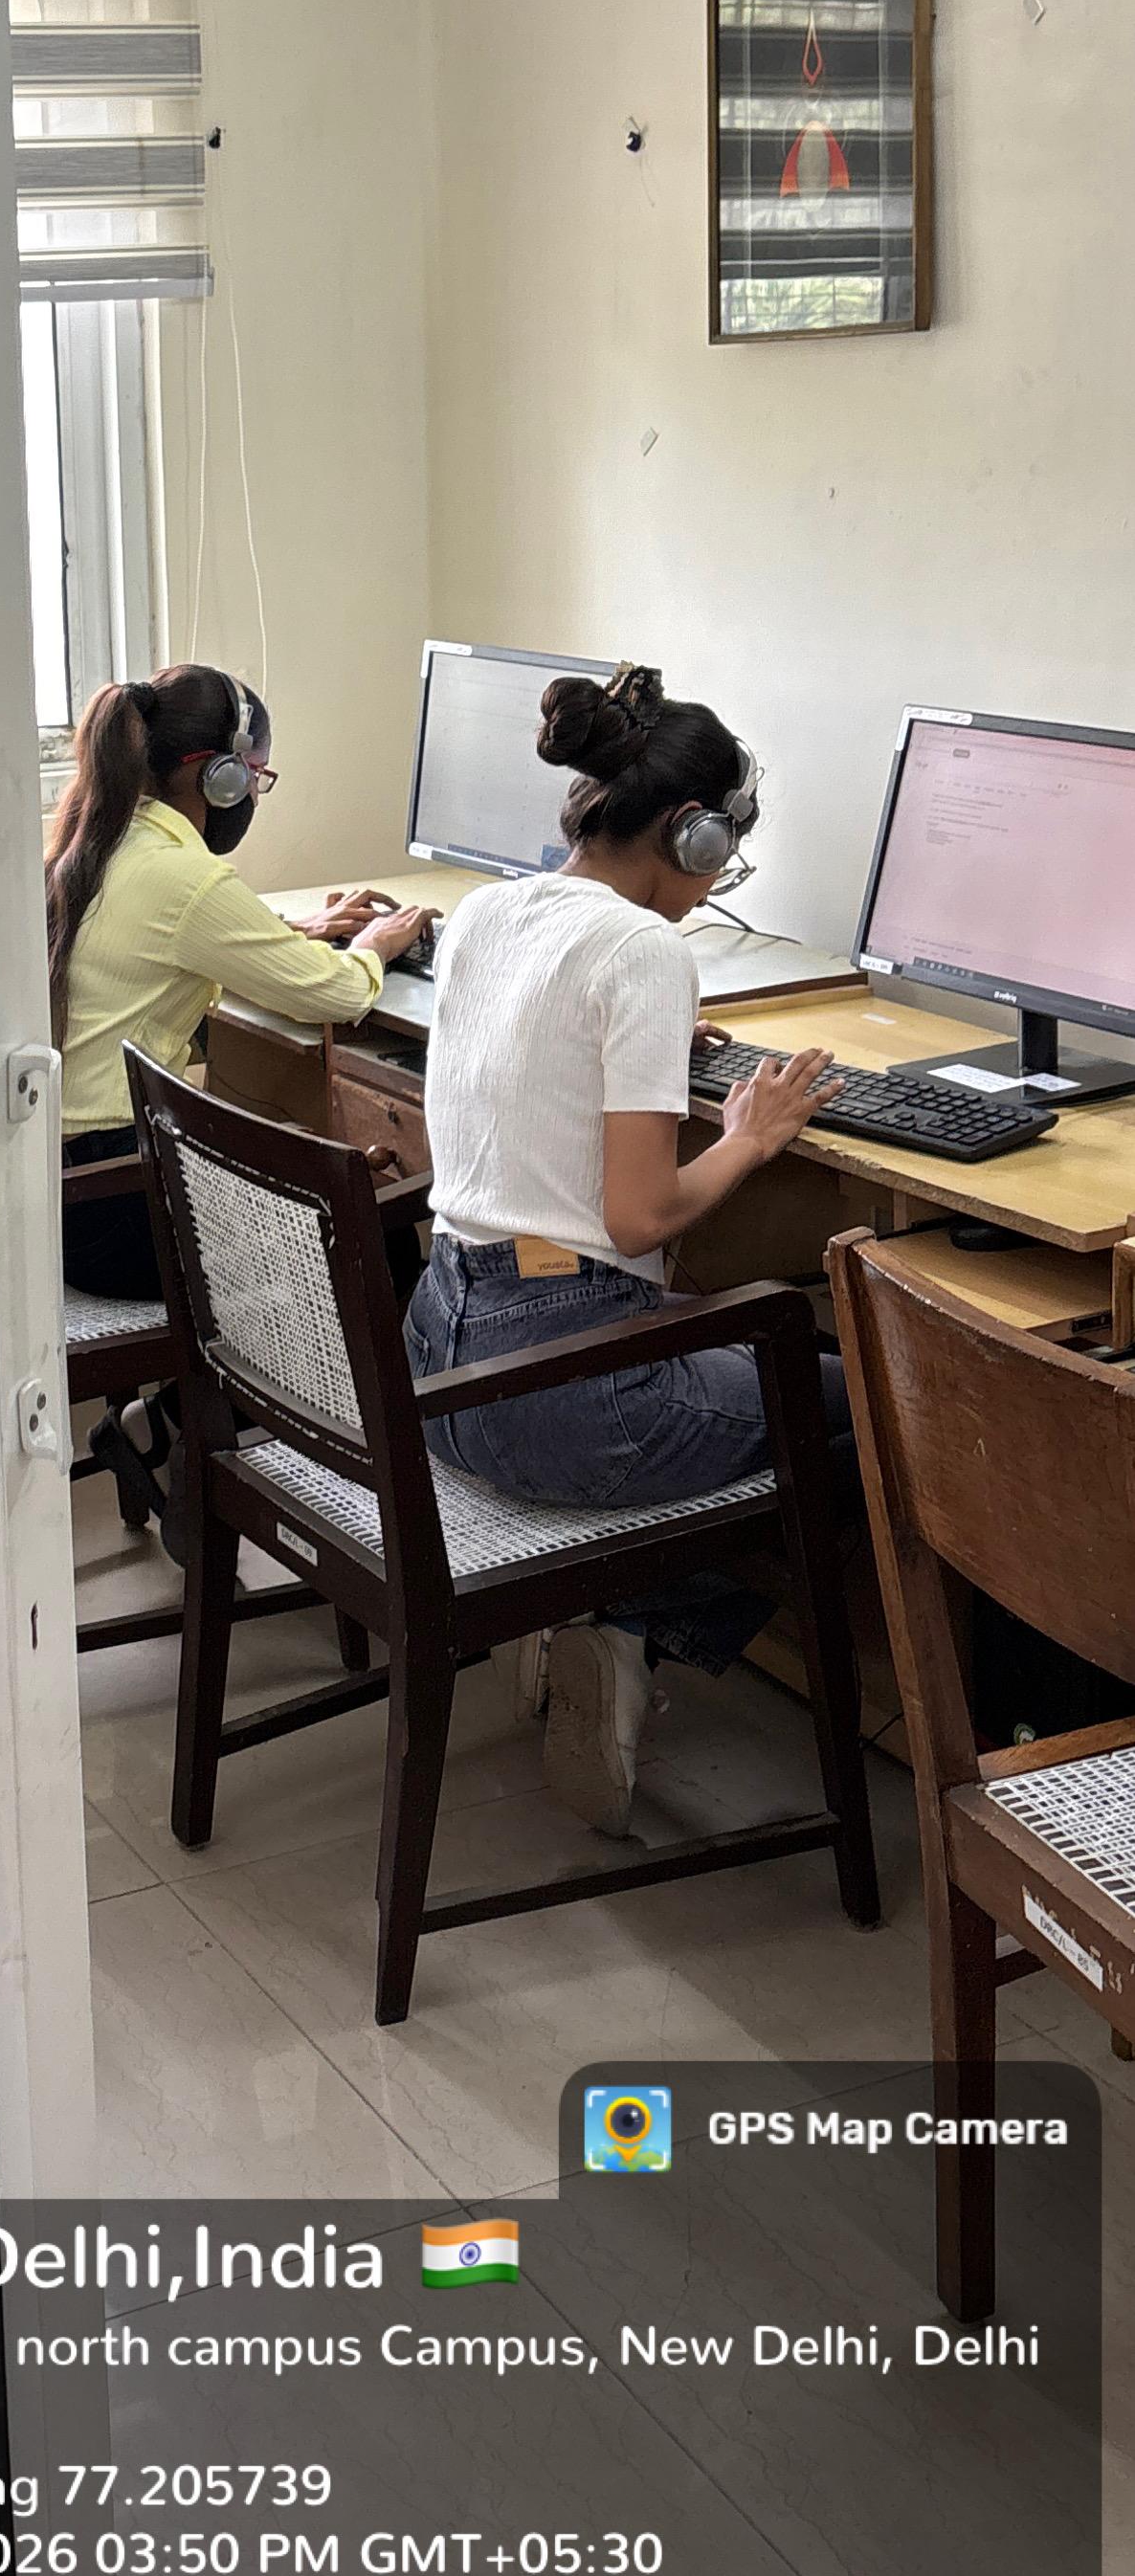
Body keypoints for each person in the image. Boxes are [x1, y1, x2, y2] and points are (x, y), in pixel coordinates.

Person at [407, 661, 846, 1839]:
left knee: (793, 1367)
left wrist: (651, 1048)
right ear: (690, 831)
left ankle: (609, 1621)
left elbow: (540, 1058)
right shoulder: (646, 955)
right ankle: (639, 1620)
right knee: (873, 1412)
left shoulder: (491, 911)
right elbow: (643, 1217)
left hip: (442, 1358)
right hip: (563, 1393)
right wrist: (749, 1137)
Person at [49, 665, 436, 1524]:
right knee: (381, 1244)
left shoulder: (100, 839)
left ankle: (162, 1426)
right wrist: (372, 944)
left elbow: (185, 939)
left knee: (335, 1219)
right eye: (252, 779)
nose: (250, 795)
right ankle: (359, 1508)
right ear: (214, 778)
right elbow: (337, 996)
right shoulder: (188, 884)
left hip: (68, 1195)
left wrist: (292, 934)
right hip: (116, 1211)